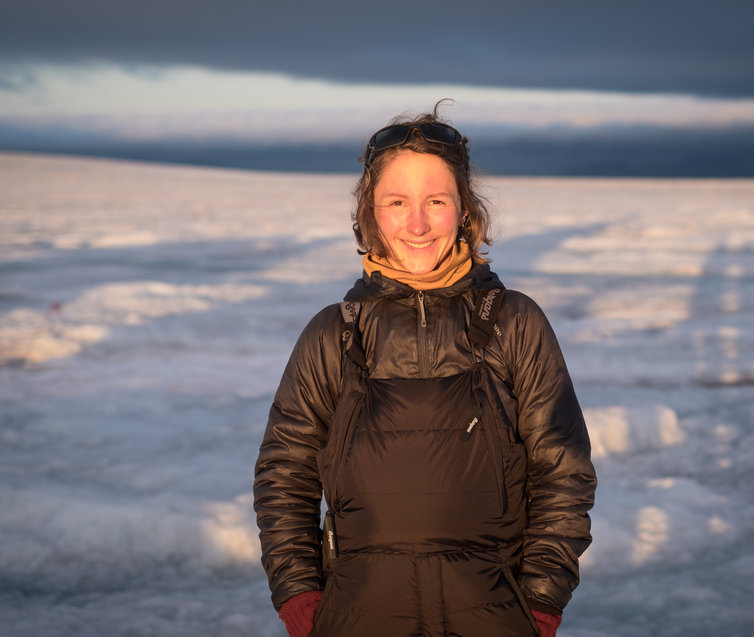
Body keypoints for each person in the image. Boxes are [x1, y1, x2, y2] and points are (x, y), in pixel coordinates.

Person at [253, 104, 596, 637]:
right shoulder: (335, 333)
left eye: (436, 201)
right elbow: (285, 474)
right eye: (397, 202)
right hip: (357, 616)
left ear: (464, 210)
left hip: (496, 617)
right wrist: (299, 594)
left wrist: (541, 600)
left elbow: (563, 471)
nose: (416, 224)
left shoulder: (513, 321)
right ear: (371, 212)